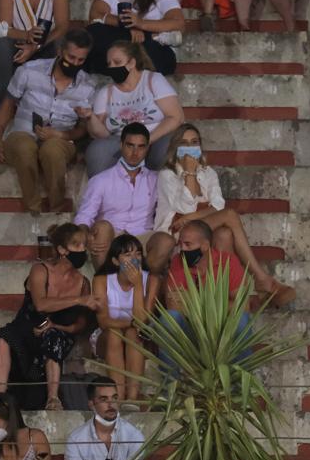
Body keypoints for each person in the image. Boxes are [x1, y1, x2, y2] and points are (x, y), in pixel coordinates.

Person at [156, 124, 295, 305]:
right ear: (175, 147)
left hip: (202, 231)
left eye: (194, 143)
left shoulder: (208, 173)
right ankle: (261, 280)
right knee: (229, 216)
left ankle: (222, 297)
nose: (190, 148)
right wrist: (189, 174)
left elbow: (217, 205)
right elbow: (186, 207)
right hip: (179, 234)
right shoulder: (167, 175)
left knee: (225, 234)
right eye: (184, 143)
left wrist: (191, 217)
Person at [0, 223, 96, 411]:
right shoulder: (40, 270)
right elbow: (41, 304)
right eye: (76, 245)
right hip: (27, 329)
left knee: (53, 338)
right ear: (62, 250)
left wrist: (56, 325)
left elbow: (79, 326)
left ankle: (53, 398)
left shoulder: (83, 283)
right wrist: (79, 300)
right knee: (5, 336)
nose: (82, 249)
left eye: (83, 245)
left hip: (58, 333)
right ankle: (1, 396)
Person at [0, 31, 97, 214]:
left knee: (52, 150)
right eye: (71, 57)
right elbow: (8, 103)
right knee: (25, 148)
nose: (75, 63)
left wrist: (61, 135)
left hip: (61, 139)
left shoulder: (88, 86)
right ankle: (34, 209)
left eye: (81, 60)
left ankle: (56, 208)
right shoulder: (29, 70)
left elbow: (82, 129)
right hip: (22, 133)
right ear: (60, 51)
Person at [76, 124, 168, 273]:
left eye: (141, 147)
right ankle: (105, 284)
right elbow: (84, 216)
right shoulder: (101, 180)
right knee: (101, 228)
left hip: (142, 238)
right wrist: (86, 235)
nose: (135, 152)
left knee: (165, 240)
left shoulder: (157, 179)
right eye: (130, 145)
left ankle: (143, 285)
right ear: (121, 145)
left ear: (147, 149)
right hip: (112, 238)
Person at [86, 42, 184, 177]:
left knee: (163, 154)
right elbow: (101, 134)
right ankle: (103, 194)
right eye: (109, 64)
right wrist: (89, 116)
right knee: (97, 151)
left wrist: (147, 141)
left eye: (117, 62)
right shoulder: (105, 92)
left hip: (156, 136)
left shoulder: (153, 80)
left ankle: (161, 193)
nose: (112, 67)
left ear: (131, 63)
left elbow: (176, 117)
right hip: (122, 141)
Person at [92, 240, 156, 403]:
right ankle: (118, 398)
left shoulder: (151, 280)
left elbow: (141, 322)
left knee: (133, 333)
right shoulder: (102, 280)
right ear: (115, 261)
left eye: (138, 254)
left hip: (140, 335)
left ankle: (133, 399)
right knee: (115, 334)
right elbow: (104, 321)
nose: (134, 259)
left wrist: (138, 285)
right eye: (127, 255)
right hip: (107, 335)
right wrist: (130, 323)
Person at [64, 375, 146, 460]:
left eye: (114, 398)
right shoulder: (76, 439)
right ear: (91, 404)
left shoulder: (135, 436)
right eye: (104, 399)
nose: (111, 404)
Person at [163, 219, 248, 316]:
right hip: (190, 323)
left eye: (188, 244)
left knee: (242, 318)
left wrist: (192, 300)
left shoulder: (228, 261)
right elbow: (173, 305)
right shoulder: (177, 260)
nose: (182, 249)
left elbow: (243, 305)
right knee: (171, 317)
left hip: (222, 324)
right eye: (180, 244)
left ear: (205, 245)